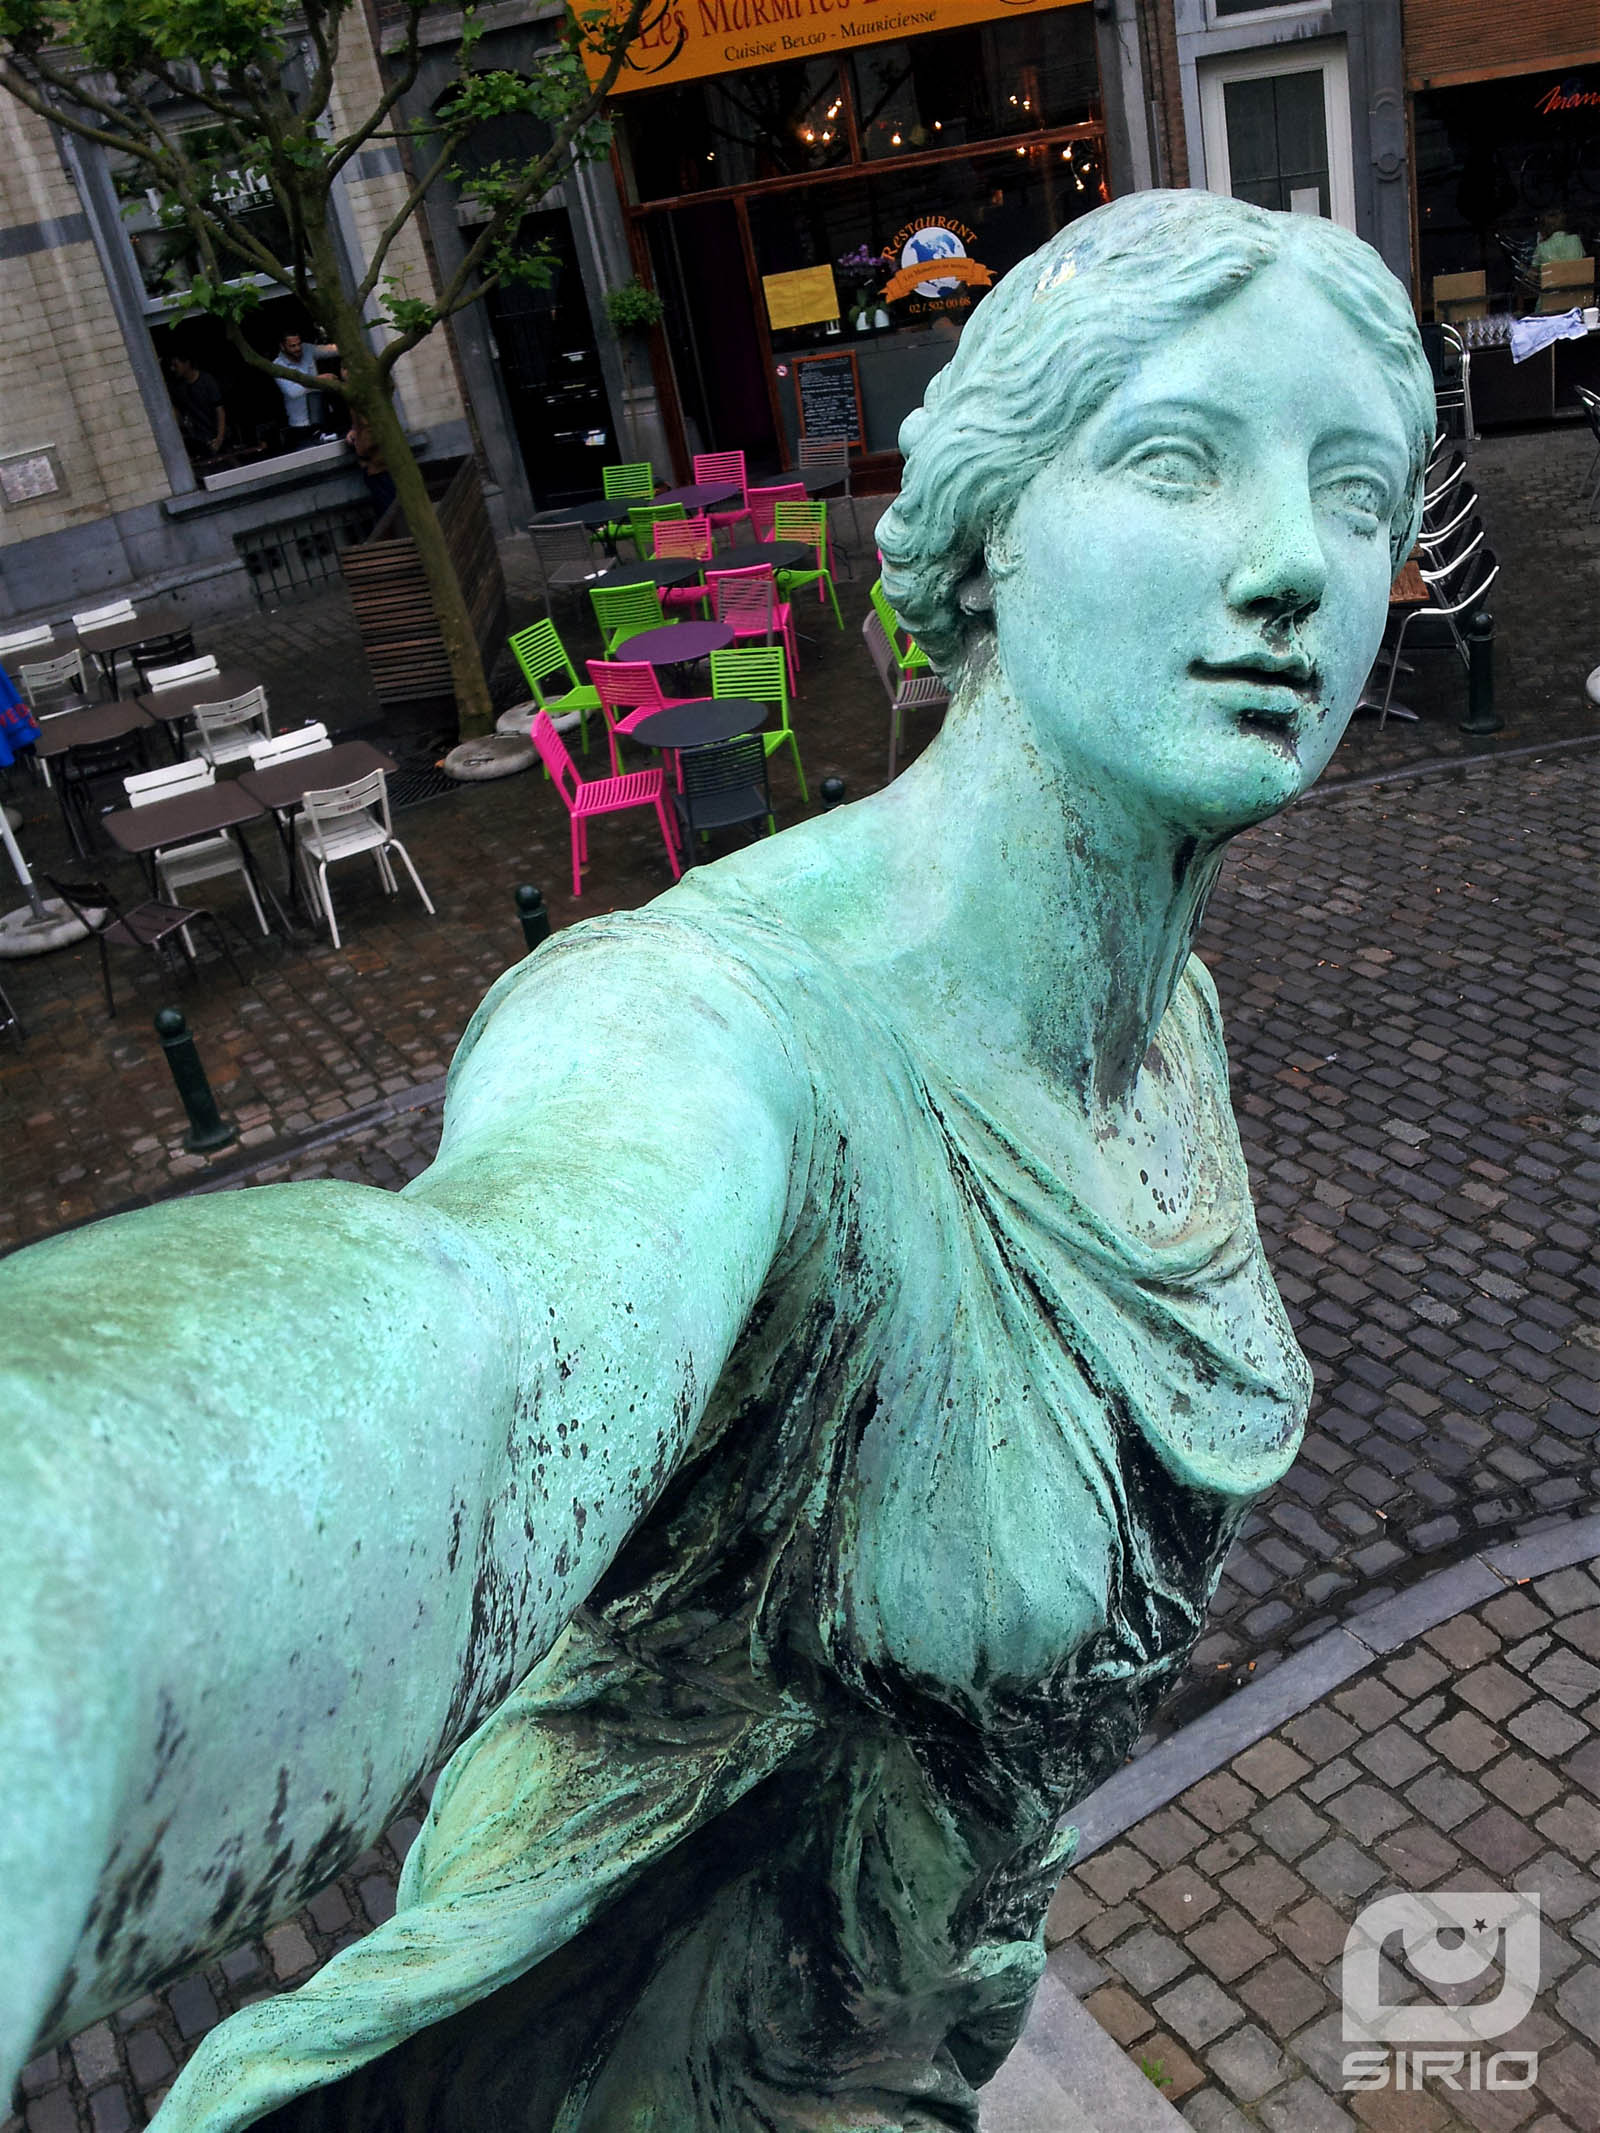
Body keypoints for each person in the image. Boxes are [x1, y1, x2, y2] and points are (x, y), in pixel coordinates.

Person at [0, 191, 1434, 2132]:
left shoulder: (1156, 1022)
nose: (1287, 565)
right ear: (988, 524)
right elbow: (481, 1343)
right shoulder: (701, 1041)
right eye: (1174, 460)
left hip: (915, 2028)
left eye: (1354, 494)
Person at [274, 329, 339, 446]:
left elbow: (329, 350)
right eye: (292, 346)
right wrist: (320, 379)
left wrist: (345, 347)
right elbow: (293, 392)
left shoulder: (307, 349)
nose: (298, 348)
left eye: (299, 344)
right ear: (282, 347)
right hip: (301, 425)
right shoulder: (278, 366)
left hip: (323, 416)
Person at [167, 353, 227, 461]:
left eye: (176, 365)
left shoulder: (206, 380)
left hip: (216, 434)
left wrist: (220, 437)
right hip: (199, 439)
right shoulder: (177, 388)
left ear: (187, 363)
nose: (173, 369)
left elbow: (220, 410)